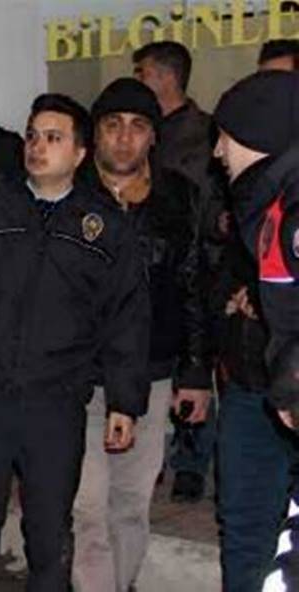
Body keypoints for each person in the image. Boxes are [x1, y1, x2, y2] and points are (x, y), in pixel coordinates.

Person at [0, 93, 150, 592]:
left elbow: (126, 317)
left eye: (53, 138)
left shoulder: (104, 226)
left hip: (56, 402)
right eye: (33, 136)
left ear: (80, 153)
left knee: (49, 533)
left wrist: (124, 401)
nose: (38, 147)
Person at [70, 78, 211, 592]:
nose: (125, 137)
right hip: (79, 375)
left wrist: (195, 372)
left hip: (152, 373)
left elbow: (193, 284)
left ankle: (120, 583)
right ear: (96, 133)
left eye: (138, 126)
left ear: (154, 136)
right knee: (87, 506)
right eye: (113, 125)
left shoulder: (178, 197)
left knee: (130, 504)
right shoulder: (70, 194)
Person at [209, 69, 299, 590]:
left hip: (283, 389)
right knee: (245, 529)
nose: (218, 151)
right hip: (249, 384)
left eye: (225, 136)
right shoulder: (260, 203)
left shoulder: (290, 206)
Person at [132, 39, 219, 502]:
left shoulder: (202, 134)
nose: (138, 81)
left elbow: (211, 205)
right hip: (155, 262)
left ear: (166, 77)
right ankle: (152, 458)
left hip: (199, 259)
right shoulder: (144, 131)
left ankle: (191, 460)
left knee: (195, 360)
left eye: (143, 72)